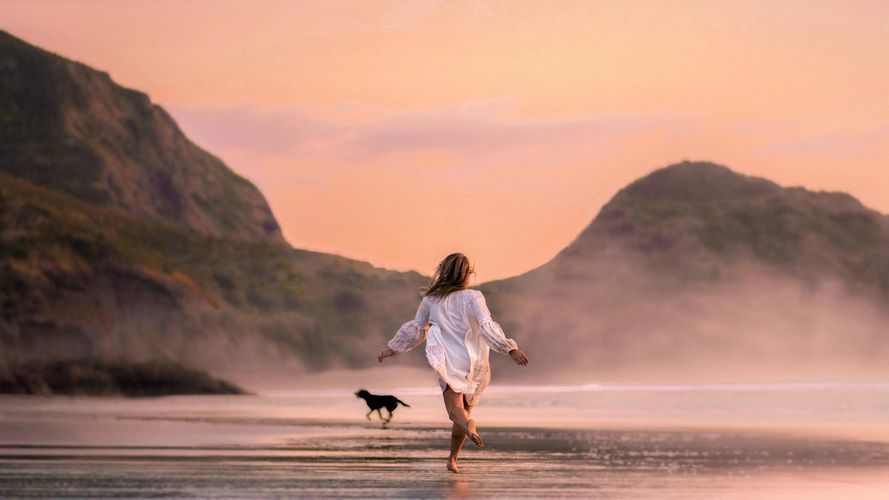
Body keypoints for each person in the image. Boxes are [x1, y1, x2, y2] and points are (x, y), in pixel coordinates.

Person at [378, 252, 529, 473]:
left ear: (443, 271)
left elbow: (418, 330)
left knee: (455, 411)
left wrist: (392, 348)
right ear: (468, 273)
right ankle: (453, 459)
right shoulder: (474, 297)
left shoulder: (431, 299)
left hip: (449, 360)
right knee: (464, 411)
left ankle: (468, 428)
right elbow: (486, 326)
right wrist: (510, 349)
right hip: (475, 359)